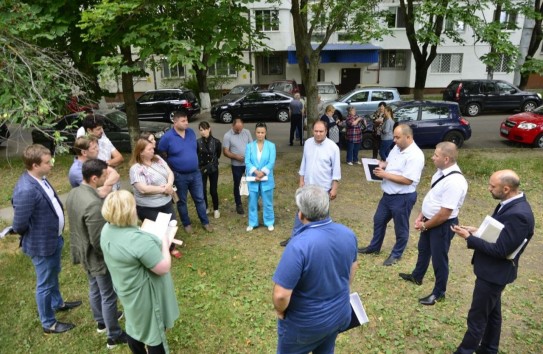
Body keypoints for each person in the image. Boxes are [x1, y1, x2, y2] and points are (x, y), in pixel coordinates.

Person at [451, 170, 534, 354]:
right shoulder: (510, 203)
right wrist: (477, 231)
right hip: (492, 272)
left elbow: (501, 250)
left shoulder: (519, 215)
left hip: (494, 273)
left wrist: (469, 238)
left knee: (477, 317)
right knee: (493, 314)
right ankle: (489, 349)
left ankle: (465, 351)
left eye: (492, 186)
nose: (488, 188)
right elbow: (502, 234)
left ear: (506, 188)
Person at [272, 185, 358, 353]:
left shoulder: (298, 245)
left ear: (301, 214)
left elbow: (281, 295)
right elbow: (353, 268)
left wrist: (279, 310)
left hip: (305, 326)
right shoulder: (348, 234)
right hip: (339, 314)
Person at [11, 144, 81, 334]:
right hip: (41, 245)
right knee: (45, 284)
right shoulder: (26, 190)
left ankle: (57, 303)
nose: (51, 165)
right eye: (47, 162)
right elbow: (19, 225)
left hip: (53, 240)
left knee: (53, 274)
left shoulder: (40, 178)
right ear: (35, 165)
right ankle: (48, 323)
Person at [101, 190, 180, 354]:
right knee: (153, 331)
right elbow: (163, 267)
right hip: (144, 294)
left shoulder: (107, 229)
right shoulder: (138, 241)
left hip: (125, 286)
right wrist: (165, 242)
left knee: (134, 323)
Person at [66, 159, 127, 348]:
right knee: (108, 295)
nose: (107, 178)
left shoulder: (75, 192)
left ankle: (100, 321)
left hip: (82, 250)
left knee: (94, 287)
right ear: (94, 178)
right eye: (104, 176)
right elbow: (99, 241)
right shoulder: (93, 204)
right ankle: (113, 335)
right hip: (96, 256)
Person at [398, 142, 468, 305]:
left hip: (442, 225)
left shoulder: (455, 182)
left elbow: (444, 214)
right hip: (430, 221)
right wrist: (422, 216)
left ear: (446, 158)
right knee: (424, 249)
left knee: (439, 259)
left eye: (436, 155)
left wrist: (424, 225)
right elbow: (434, 198)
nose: (432, 157)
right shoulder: (440, 172)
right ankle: (417, 276)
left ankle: (439, 292)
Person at [358, 124, 425, 266]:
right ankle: (374, 247)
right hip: (388, 194)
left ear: (408, 137)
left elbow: (408, 180)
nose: (394, 140)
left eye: (397, 137)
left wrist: (385, 174)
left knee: (400, 227)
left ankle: (396, 254)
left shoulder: (416, 155)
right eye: (394, 136)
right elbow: (391, 162)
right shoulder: (397, 147)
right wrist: (383, 164)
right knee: (378, 220)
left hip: (403, 197)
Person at [279, 120, 341, 247]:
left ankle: (323, 242)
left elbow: (336, 171)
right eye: (316, 131)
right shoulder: (307, 143)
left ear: (326, 131)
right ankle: (294, 238)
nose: (318, 134)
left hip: (323, 189)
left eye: (321, 131)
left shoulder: (333, 148)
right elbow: (304, 163)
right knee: (300, 213)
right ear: (312, 131)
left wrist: (334, 188)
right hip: (307, 187)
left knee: (322, 217)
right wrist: (301, 180)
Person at [157, 110, 212, 234]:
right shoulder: (167, 137)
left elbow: (194, 150)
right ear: (175, 122)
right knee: (182, 201)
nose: (186, 123)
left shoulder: (191, 133)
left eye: (186, 120)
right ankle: (186, 224)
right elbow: (161, 154)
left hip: (195, 173)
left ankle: (205, 222)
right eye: (183, 121)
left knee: (200, 198)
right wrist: (171, 168)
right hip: (179, 175)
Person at [130, 137, 181, 258]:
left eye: (153, 148)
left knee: (171, 224)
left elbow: (170, 173)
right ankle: (156, 252)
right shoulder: (136, 169)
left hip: (166, 201)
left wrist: (169, 184)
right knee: (156, 230)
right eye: (150, 149)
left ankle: (171, 247)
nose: (153, 150)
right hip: (149, 206)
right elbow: (143, 189)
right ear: (141, 152)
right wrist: (164, 189)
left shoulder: (158, 159)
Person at [245, 122, 276, 232]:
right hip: (253, 179)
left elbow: (271, 162)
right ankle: (252, 223)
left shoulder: (271, 146)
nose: (260, 135)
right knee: (252, 202)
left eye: (262, 132)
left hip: (266, 178)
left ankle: (269, 221)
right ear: (255, 133)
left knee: (268, 202)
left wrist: (262, 173)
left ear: (265, 133)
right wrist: (256, 172)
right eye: (258, 132)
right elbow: (247, 162)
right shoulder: (249, 146)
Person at [223, 117, 253, 215]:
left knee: (251, 183)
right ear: (233, 126)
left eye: (240, 128)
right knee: (237, 184)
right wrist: (235, 156)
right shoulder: (227, 136)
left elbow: (252, 145)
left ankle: (253, 201)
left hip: (248, 163)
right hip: (236, 165)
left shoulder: (246, 132)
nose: (239, 130)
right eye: (237, 129)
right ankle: (238, 204)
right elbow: (225, 152)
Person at [197, 121, 222, 219]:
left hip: (213, 168)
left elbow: (218, 154)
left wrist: (213, 163)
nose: (203, 132)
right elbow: (197, 154)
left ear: (209, 129)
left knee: (213, 190)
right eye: (201, 130)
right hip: (202, 168)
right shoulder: (198, 142)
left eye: (205, 129)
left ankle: (216, 209)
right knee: (203, 189)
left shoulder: (216, 142)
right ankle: (206, 207)